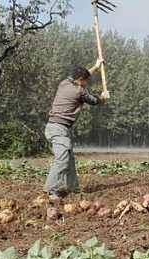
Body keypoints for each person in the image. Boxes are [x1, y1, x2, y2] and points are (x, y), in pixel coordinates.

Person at [45, 59, 109, 202]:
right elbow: (94, 101)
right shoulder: (79, 91)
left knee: (70, 159)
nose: (87, 83)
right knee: (62, 159)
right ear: (80, 80)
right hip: (58, 129)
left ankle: (72, 187)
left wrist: (95, 67)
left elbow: (83, 76)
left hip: (56, 128)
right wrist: (103, 98)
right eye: (86, 81)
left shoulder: (65, 83)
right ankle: (52, 190)